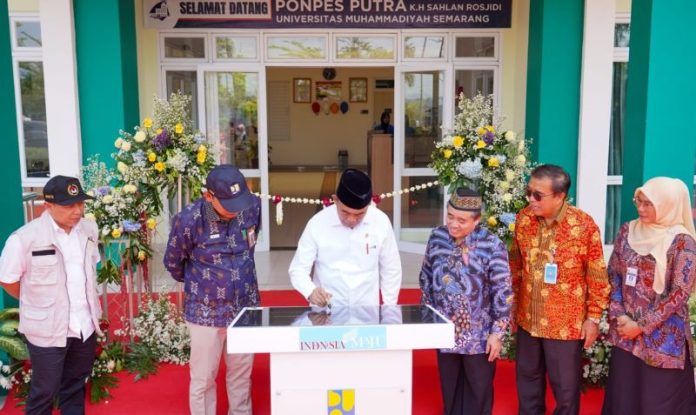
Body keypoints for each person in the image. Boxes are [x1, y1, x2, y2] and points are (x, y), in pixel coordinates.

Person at [509, 164, 610, 415]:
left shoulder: (583, 225)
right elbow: (516, 266)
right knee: (527, 382)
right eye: (528, 192)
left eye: (538, 195)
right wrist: (512, 306)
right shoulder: (523, 219)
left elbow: (597, 276)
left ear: (560, 196)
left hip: (564, 323)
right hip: (528, 317)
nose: (530, 199)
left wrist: (593, 318)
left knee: (565, 390)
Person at [0, 175, 102, 414]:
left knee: (76, 385)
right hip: (47, 330)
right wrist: (36, 303)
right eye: (69, 205)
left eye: (80, 203)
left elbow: (90, 269)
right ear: (48, 205)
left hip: (84, 326)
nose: (77, 211)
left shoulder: (89, 230)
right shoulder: (24, 238)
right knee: (45, 391)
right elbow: (7, 280)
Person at [164, 164, 261, 415]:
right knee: (204, 378)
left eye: (240, 202)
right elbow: (173, 261)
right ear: (209, 196)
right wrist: (203, 284)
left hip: (245, 306)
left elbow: (251, 242)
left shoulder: (252, 206)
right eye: (229, 205)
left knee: (241, 374)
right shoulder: (189, 219)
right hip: (205, 312)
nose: (236, 209)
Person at [601, 177, 696, 415]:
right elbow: (614, 275)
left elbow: (679, 294)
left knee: (658, 403)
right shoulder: (627, 230)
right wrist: (620, 315)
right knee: (624, 399)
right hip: (626, 335)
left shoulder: (682, 241)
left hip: (663, 341)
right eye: (638, 202)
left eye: (648, 204)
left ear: (667, 205)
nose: (641, 208)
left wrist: (640, 326)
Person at [419, 187, 512, 415]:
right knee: (450, 391)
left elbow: (503, 292)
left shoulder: (492, 245)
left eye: (461, 220)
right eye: (450, 216)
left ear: (477, 220)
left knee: (478, 393)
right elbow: (426, 278)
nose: (453, 224)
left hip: (479, 336)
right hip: (445, 331)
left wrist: (497, 333)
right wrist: (429, 318)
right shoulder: (437, 237)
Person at [289, 168, 402, 307]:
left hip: (367, 309)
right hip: (327, 310)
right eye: (345, 212)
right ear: (335, 200)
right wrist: (310, 291)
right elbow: (298, 269)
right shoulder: (317, 223)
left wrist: (389, 308)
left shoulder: (380, 222)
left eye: (359, 214)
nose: (351, 219)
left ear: (369, 205)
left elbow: (391, 269)